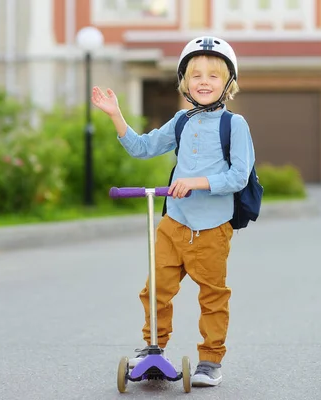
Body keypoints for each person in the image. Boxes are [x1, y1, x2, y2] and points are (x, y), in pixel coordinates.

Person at [91, 36, 256, 387]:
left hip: (212, 228)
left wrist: (195, 182)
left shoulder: (235, 126)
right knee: (156, 290)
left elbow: (238, 176)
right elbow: (141, 147)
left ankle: (210, 361)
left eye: (213, 75)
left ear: (228, 82)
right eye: (195, 74)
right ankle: (155, 348)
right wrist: (116, 115)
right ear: (184, 82)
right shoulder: (181, 121)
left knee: (212, 296)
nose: (204, 81)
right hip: (174, 222)